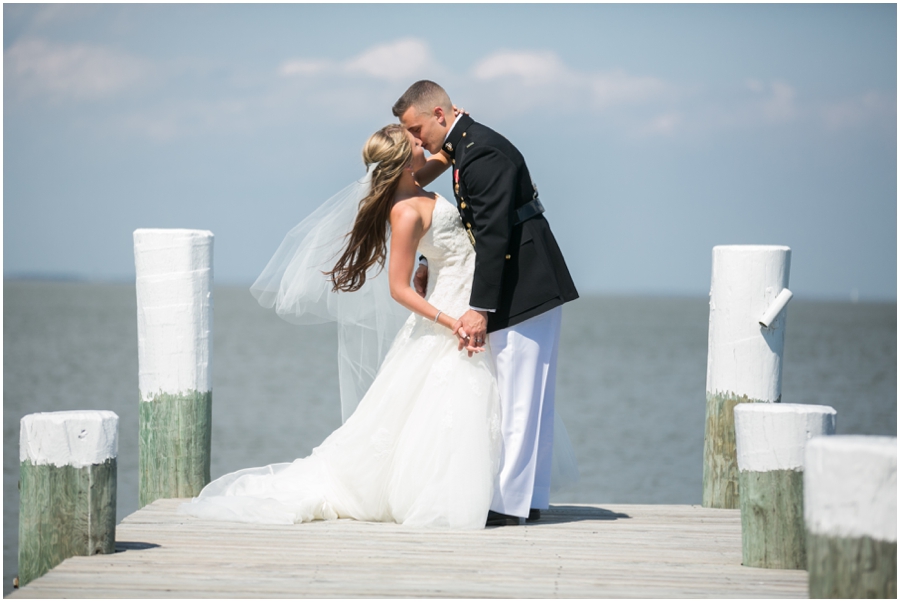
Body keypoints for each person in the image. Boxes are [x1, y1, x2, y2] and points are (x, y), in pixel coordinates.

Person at [179, 124, 503, 529]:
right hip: (450, 313)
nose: (426, 145)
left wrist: (458, 129)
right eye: (418, 143)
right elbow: (399, 290)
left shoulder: (416, 183)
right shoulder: (405, 210)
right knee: (447, 401)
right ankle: (441, 495)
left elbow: (445, 156)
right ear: (403, 162)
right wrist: (451, 320)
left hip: (460, 295)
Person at [394, 81, 579, 526]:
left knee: (519, 397)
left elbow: (495, 234)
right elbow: (463, 215)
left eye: (417, 129)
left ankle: (508, 505)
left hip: (525, 284)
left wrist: (479, 308)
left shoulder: (480, 153)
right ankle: (527, 498)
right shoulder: (467, 146)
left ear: (440, 114)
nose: (416, 141)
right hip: (529, 280)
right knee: (529, 395)